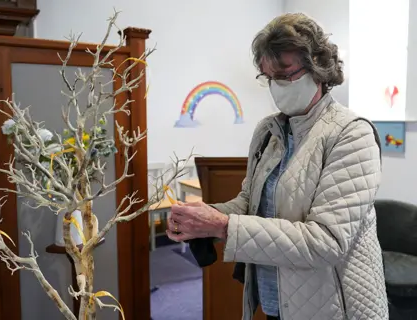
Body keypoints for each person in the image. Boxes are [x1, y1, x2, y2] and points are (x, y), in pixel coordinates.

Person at [166, 13, 388, 320]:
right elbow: (249, 204)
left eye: (284, 76)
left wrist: (222, 226)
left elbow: (325, 242)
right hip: (277, 298)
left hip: (334, 306)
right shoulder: (268, 132)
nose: (276, 87)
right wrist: (204, 219)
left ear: (318, 68)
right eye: (269, 78)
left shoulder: (352, 134)